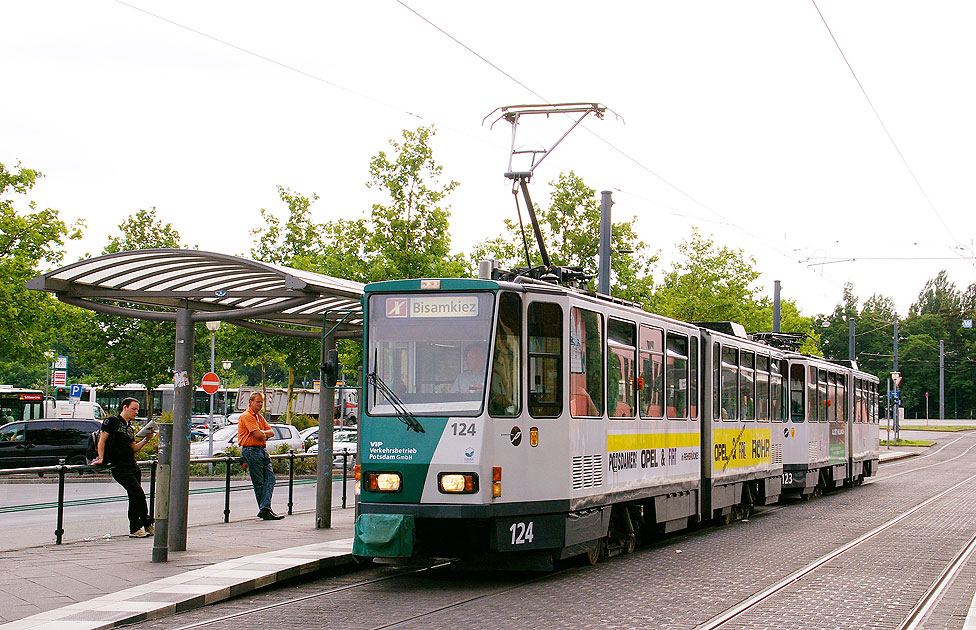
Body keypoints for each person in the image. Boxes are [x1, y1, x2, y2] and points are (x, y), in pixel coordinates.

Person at [92, 398, 155, 538]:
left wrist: (145, 440)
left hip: (131, 465)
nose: (136, 412)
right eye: (134, 409)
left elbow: (133, 448)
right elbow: (102, 440)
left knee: (135, 497)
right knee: (138, 494)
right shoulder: (112, 422)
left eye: (137, 409)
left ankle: (137, 528)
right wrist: (101, 457)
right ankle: (144, 524)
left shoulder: (130, 428)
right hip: (119, 466)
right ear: (125, 407)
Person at [238, 392, 284, 520]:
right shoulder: (247, 416)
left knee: (270, 478)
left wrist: (262, 433)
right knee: (259, 482)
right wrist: (263, 434)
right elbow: (258, 435)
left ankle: (265, 508)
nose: (260, 404)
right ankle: (265, 509)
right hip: (251, 450)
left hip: (261, 450)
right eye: (258, 402)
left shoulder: (259, 417)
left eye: (261, 402)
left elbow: (270, 432)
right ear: (251, 402)